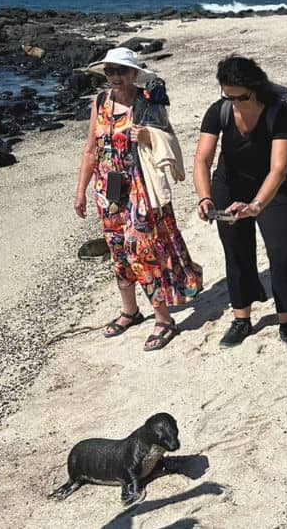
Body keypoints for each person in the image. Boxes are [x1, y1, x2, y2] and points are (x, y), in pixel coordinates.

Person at [74, 47, 203, 352]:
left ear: (134, 74)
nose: (115, 77)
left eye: (121, 71)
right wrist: (81, 190)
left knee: (143, 252)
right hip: (108, 191)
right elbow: (91, 149)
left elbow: (168, 139)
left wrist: (148, 137)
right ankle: (130, 311)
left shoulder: (148, 104)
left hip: (141, 189)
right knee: (118, 252)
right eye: (110, 71)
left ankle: (164, 320)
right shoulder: (101, 102)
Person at [194, 55, 287, 352]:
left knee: (283, 251)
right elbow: (203, 159)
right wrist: (205, 197)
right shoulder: (219, 111)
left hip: (272, 188)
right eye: (228, 96)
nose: (234, 102)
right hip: (229, 184)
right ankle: (241, 318)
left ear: (255, 88)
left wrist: (257, 205)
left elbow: (279, 169)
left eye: (241, 96)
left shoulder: (279, 112)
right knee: (236, 251)